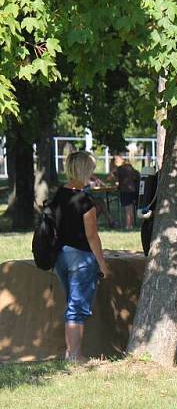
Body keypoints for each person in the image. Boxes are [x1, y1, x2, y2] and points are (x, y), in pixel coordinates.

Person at [51, 151, 110, 362]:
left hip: (60, 257)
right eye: (92, 169)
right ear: (85, 169)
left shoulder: (58, 195)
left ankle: (71, 352)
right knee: (77, 307)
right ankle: (75, 355)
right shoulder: (84, 201)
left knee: (72, 304)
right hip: (81, 258)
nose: (93, 173)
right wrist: (102, 264)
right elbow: (92, 236)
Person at [107, 155, 140, 230]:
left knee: (127, 209)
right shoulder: (129, 167)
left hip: (125, 190)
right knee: (131, 208)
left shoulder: (119, 169)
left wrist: (112, 171)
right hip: (133, 190)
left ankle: (128, 226)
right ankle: (130, 225)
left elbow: (109, 178)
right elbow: (136, 175)